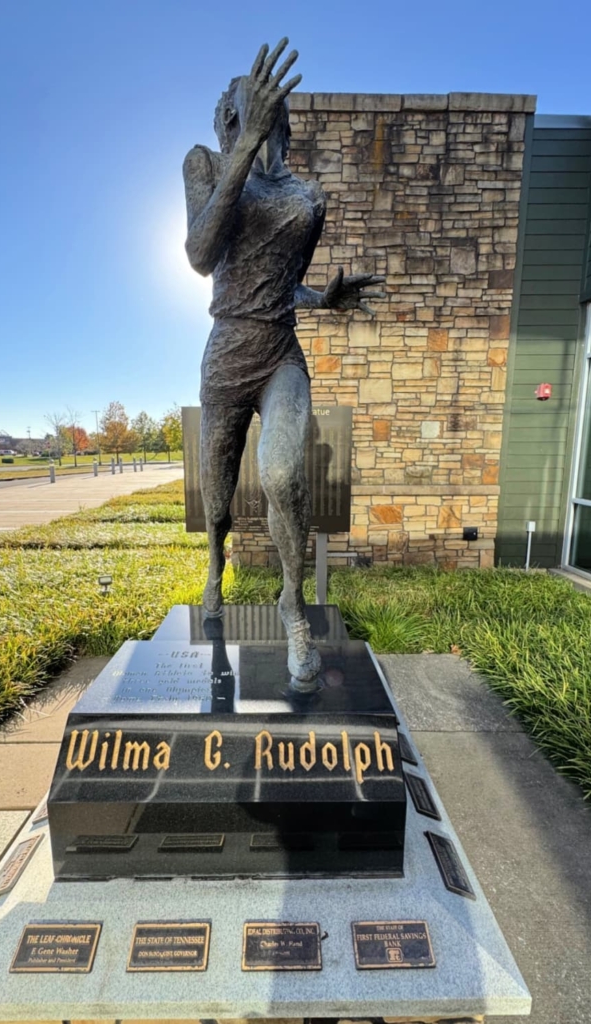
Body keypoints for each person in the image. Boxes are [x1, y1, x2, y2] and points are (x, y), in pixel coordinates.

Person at [183, 39, 384, 681]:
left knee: (281, 473)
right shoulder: (205, 166)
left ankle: (292, 604)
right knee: (216, 501)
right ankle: (215, 566)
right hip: (225, 356)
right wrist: (242, 151)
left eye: (270, 104)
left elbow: (279, 282)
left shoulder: (308, 197)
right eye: (248, 103)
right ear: (230, 119)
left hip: (279, 354)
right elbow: (201, 254)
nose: (262, 109)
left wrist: (321, 298)